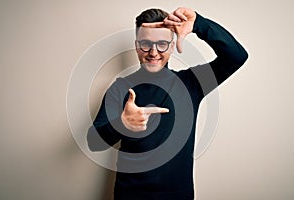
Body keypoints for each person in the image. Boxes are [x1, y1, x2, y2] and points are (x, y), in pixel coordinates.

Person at [87, 7, 248, 200]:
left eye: (162, 44)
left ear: (172, 46)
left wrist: (199, 24)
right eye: (146, 44)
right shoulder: (120, 88)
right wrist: (122, 125)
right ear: (137, 45)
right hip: (130, 195)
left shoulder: (192, 83)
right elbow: (93, 141)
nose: (153, 52)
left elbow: (237, 56)